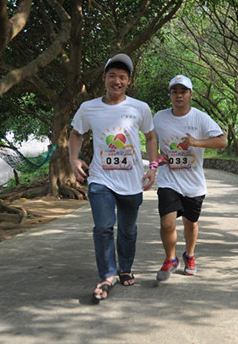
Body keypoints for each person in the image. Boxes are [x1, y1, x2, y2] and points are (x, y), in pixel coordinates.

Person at [69, 53, 158, 302]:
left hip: (131, 181)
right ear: (104, 78)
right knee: (103, 228)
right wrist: (73, 159)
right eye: (112, 76)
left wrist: (153, 167)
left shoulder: (140, 108)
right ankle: (107, 275)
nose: (116, 81)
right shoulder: (89, 108)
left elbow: (150, 137)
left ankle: (125, 267)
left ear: (129, 81)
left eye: (122, 77)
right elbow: (76, 133)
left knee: (128, 230)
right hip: (100, 178)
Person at [153, 75, 226, 281]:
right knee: (167, 222)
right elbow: (152, 142)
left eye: (183, 91)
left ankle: (190, 255)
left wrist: (196, 142)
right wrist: (157, 159)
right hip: (169, 179)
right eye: (175, 91)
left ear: (191, 95)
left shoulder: (201, 118)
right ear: (170, 95)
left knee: (190, 223)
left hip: (194, 182)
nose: (179, 95)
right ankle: (170, 258)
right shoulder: (158, 117)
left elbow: (221, 142)